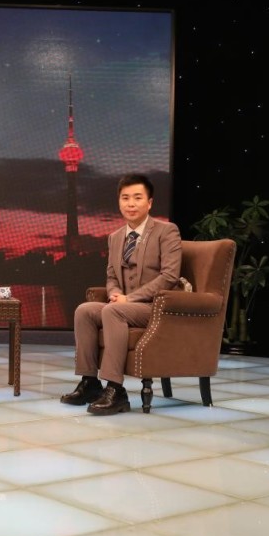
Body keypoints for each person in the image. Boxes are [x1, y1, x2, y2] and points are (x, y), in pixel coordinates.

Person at [61, 173, 182, 415]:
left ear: (149, 203)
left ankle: (115, 389)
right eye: (125, 198)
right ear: (119, 202)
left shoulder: (166, 231)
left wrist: (129, 299)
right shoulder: (115, 237)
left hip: (155, 307)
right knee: (85, 311)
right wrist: (116, 294)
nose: (131, 204)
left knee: (113, 311)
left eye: (137, 197)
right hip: (124, 305)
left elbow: (170, 276)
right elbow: (111, 277)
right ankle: (90, 382)